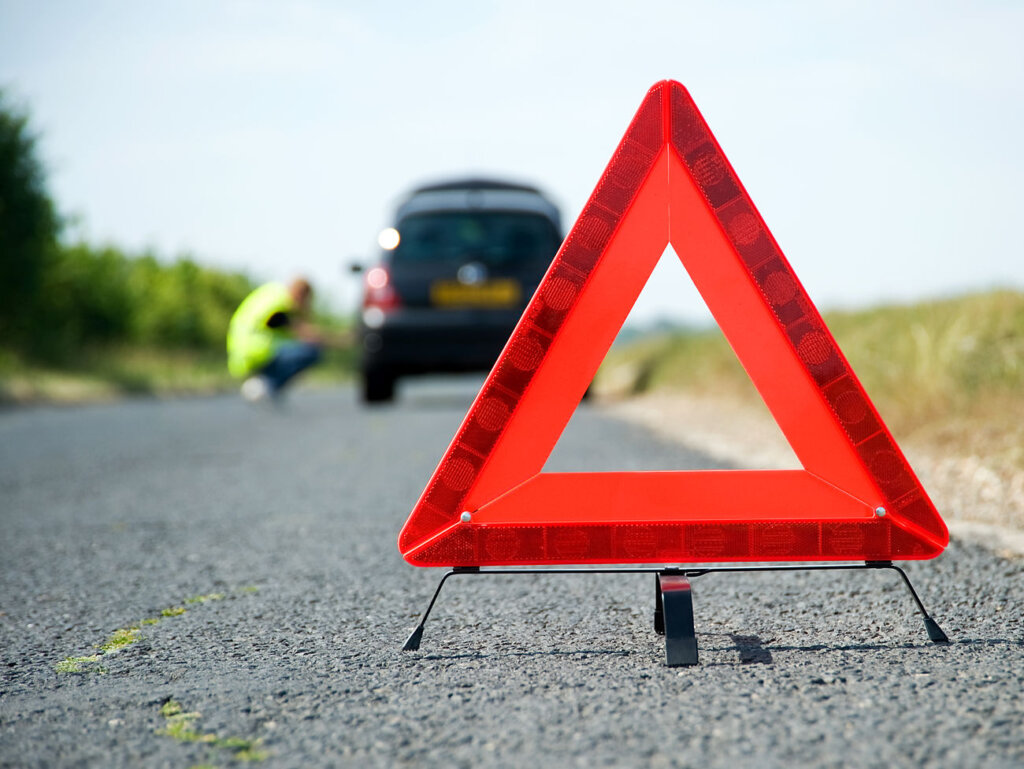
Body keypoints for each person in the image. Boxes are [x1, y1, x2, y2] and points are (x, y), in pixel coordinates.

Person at [227, 277, 324, 402]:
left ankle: (263, 382)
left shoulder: (273, 292)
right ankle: (266, 384)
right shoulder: (282, 300)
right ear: (301, 293)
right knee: (311, 351)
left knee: (297, 347)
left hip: (240, 350)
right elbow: (279, 322)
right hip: (256, 350)